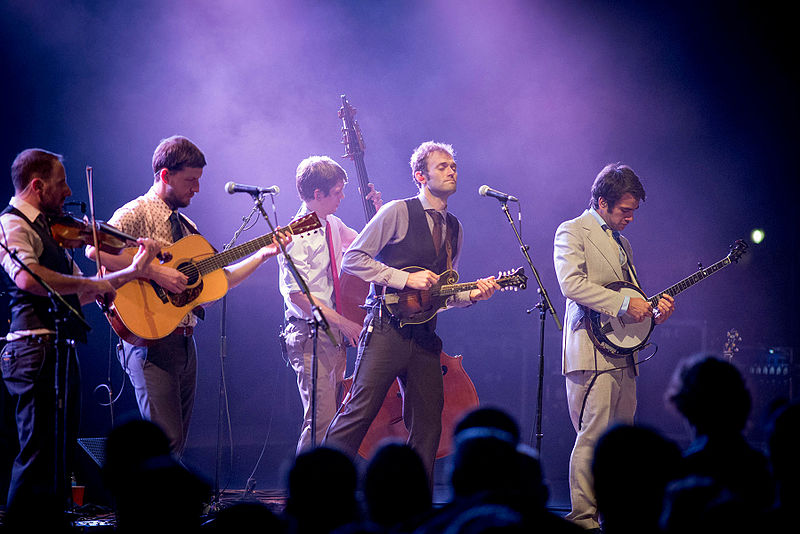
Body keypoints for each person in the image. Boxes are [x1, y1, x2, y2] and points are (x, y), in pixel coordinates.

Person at [88, 135, 289, 456]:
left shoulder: (187, 226)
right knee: (162, 443)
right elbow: (94, 250)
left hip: (183, 340)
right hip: (149, 339)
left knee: (176, 443)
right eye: (190, 181)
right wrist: (155, 272)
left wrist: (262, 254)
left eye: (198, 181)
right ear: (165, 175)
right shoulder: (136, 211)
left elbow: (220, 280)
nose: (196, 189)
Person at [323, 141, 499, 483]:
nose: (451, 171)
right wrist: (404, 277)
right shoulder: (396, 211)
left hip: (424, 337)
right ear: (420, 176)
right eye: (442, 166)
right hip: (386, 330)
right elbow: (353, 259)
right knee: (357, 414)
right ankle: (317, 494)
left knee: (430, 425)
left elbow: (442, 296)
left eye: (454, 166)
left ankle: (412, 510)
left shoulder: (454, 229)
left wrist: (473, 296)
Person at [0, 148, 159, 519]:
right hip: (31, 348)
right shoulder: (12, 224)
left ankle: (51, 521)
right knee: (37, 450)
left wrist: (123, 276)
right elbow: (30, 278)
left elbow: (84, 288)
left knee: (59, 450)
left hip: (58, 347)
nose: (69, 190)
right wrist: (131, 271)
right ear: (37, 186)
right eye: (61, 184)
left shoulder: (52, 229)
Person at [553, 162, 676, 531]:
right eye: (625, 210)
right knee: (592, 435)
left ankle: (617, 516)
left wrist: (651, 311)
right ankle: (583, 519)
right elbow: (571, 284)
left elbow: (631, 295)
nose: (630, 218)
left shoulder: (623, 243)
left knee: (621, 442)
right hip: (590, 351)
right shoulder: (572, 230)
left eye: (634, 211)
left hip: (623, 354)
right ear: (602, 203)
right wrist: (625, 305)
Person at [278, 155, 380, 453]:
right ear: (317, 194)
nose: (342, 197)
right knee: (319, 422)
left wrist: (378, 211)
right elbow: (298, 295)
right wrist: (345, 322)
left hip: (332, 335)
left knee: (334, 420)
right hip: (310, 335)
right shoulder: (295, 234)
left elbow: (366, 246)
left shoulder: (332, 224)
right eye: (337, 192)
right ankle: (304, 493)